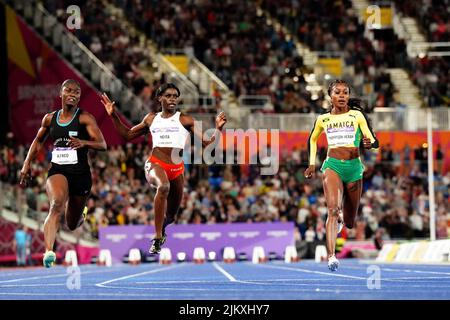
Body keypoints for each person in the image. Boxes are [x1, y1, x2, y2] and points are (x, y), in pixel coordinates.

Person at [101, 83, 227, 254]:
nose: (172, 99)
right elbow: (127, 135)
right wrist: (113, 115)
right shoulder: (151, 119)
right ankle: (158, 237)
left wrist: (218, 128)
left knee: (172, 216)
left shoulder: (186, 120)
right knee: (163, 186)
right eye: (168, 96)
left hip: (176, 170)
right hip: (155, 163)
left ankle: (163, 229)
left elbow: (208, 144)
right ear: (159, 98)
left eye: (175, 96)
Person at [19, 79, 107, 268]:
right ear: (61, 94)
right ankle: (48, 251)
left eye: (77, 92)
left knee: (72, 223)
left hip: (81, 174)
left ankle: (81, 213)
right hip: (58, 169)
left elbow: (102, 144)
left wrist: (85, 143)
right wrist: (26, 164)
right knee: (56, 204)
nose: (73, 94)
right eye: (69, 90)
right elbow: (37, 141)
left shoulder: (85, 118)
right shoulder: (49, 119)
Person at [304, 79, 379, 271]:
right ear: (330, 96)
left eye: (345, 92)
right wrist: (312, 163)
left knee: (350, 221)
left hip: (354, 169)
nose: (342, 96)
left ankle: (341, 221)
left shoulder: (357, 116)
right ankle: (331, 256)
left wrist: (370, 143)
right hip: (333, 166)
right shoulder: (323, 119)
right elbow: (312, 139)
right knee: (332, 210)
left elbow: (372, 139)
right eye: (337, 92)